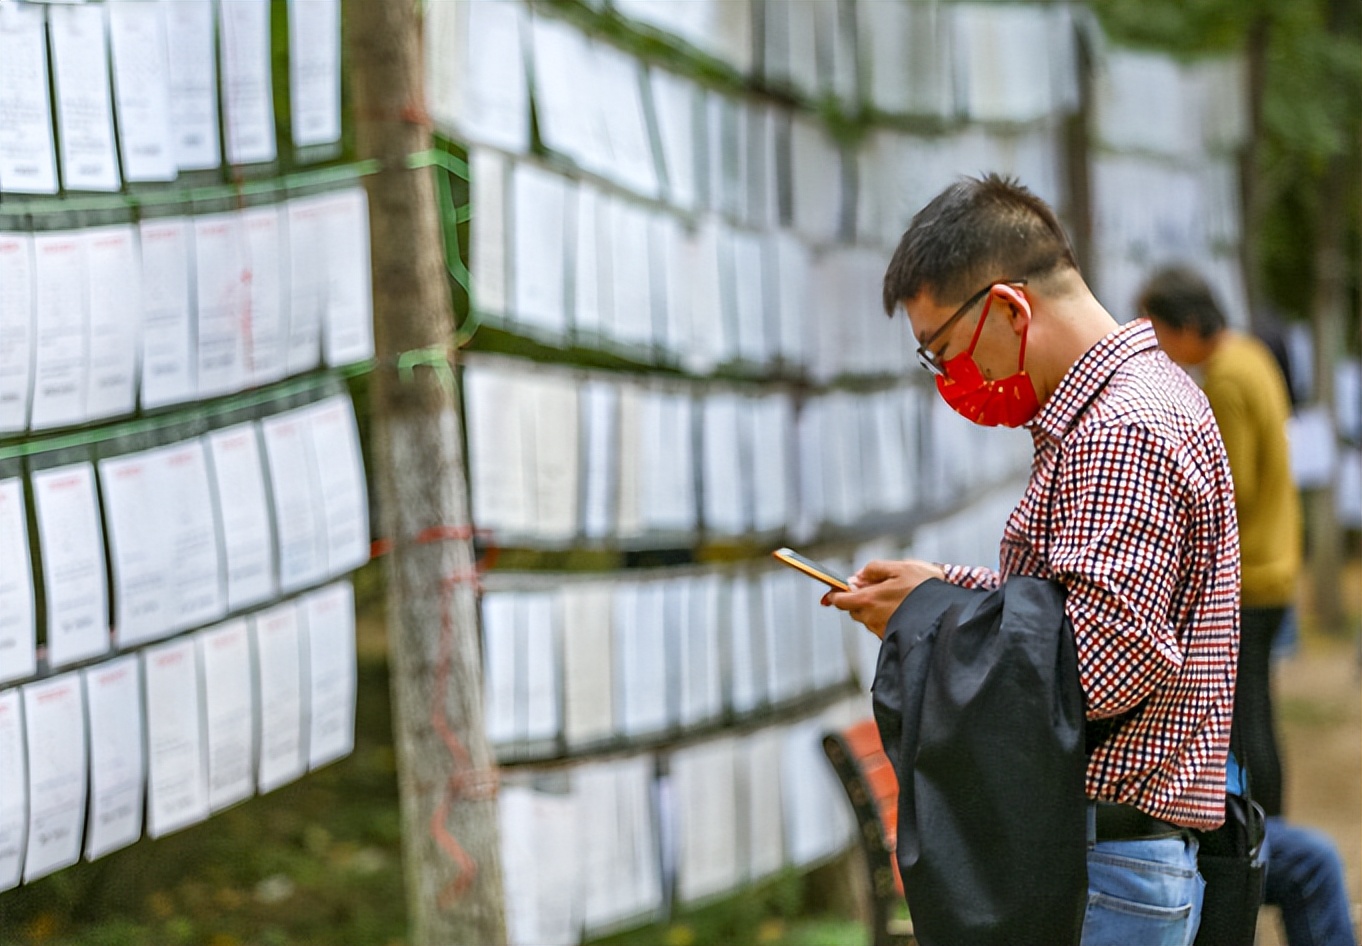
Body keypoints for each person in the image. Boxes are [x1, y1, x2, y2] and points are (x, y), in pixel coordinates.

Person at [825, 174, 1241, 946]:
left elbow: (1101, 661)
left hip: (1104, 867)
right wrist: (942, 589)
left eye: (943, 352)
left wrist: (932, 622)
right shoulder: (1123, 408)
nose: (951, 381)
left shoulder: (1122, 429)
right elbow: (1071, 603)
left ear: (1009, 310)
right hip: (1109, 860)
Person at [1139, 265, 1357, 946]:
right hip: (1272, 563)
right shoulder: (1251, 355)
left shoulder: (1227, 377)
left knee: (1243, 717)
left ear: (1180, 325)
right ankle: (1272, 828)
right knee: (1254, 708)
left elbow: (1223, 481)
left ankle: (1259, 834)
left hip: (1249, 572)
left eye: (1157, 334)